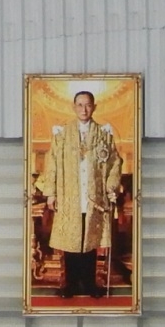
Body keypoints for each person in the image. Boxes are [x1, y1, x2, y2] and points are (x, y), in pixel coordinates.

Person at [33, 89, 125, 299]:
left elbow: (114, 163)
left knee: (90, 239)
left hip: (94, 197)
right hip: (69, 195)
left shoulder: (104, 134)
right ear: (74, 107)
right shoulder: (62, 135)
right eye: (80, 105)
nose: (84, 109)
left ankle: (89, 284)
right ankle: (71, 283)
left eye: (88, 105)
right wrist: (51, 193)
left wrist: (111, 187)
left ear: (94, 107)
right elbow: (52, 164)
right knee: (72, 239)